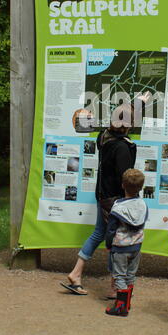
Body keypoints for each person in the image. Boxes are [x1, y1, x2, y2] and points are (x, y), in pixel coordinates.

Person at [60, 103, 136, 296]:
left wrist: (139, 103)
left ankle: (76, 274)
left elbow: (122, 115)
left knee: (99, 234)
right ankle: (114, 286)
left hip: (102, 195)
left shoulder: (103, 137)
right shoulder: (122, 148)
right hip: (115, 200)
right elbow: (125, 179)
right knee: (115, 241)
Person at [105, 168, 148, 316]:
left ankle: (120, 307)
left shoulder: (118, 207)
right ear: (141, 187)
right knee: (130, 275)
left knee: (119, 276)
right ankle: (127, 303)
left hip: (120, 247)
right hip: (136, 247)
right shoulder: (142, 205)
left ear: (123, 185)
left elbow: (111, 229)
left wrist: (108, 244)